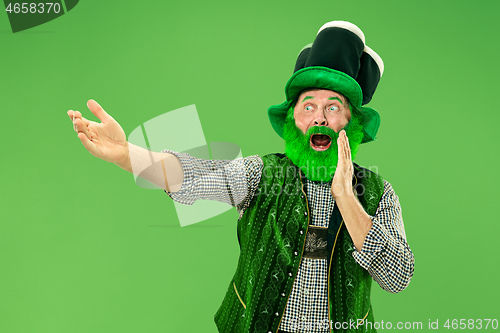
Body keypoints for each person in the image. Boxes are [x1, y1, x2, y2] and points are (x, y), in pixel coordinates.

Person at [68, 21, 414, 333]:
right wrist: (128, 153)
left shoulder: (379, 194)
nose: (319, 118)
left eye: (333, 107)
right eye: (308, 106)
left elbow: (398, 276)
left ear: (351, 123)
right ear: (293, 119)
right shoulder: (261, 173)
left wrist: (345, 196)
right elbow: (194, 175)